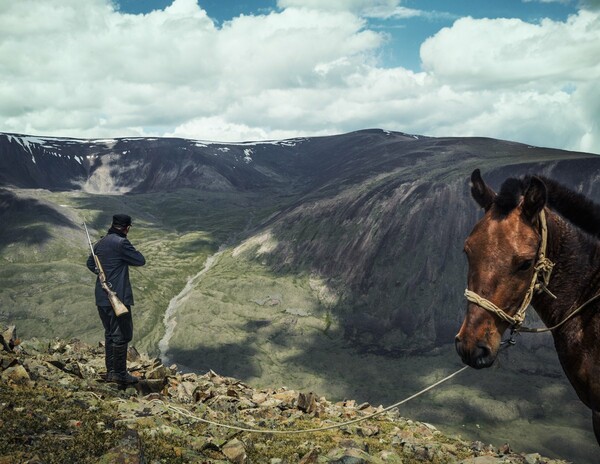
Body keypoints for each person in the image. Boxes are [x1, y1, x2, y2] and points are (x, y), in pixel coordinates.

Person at [86, 214, 145, 384]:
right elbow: (140, 260)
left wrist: (103, 277)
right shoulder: (121, 243)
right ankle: (119, 374)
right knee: (121, 335)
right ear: (127, 228)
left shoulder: (101, 242)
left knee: (110, 334)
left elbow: (91, 264)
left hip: (102, 297)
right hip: (117, 297)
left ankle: (112, 372)